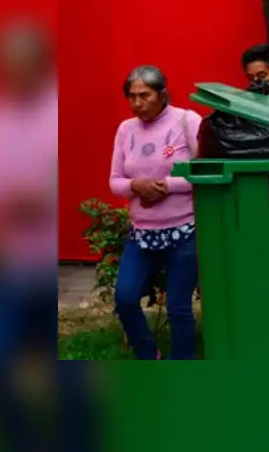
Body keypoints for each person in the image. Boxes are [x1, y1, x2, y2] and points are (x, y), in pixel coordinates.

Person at [0, 20, 94, 451]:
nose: (14, 72)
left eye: (22, 64)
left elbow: (60, 183)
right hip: (11, 270)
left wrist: (32, 196)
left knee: (70, 379)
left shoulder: (53, 113)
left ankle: (78, 442)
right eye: (7, 65)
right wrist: (15, 198)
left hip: (48, 267)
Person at [110, 66, 202, 359]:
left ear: (161, 94)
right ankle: (149, 357)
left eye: (144, 96)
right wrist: (136, 185)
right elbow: (115, 182)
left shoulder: (188, 121)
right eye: (132, 96)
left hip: (184, 232)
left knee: (178, 307)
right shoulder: (126, 129)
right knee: (125, 298)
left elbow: (205, 173)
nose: (137, 103)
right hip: (142, 233)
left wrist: (167, 185)